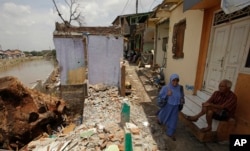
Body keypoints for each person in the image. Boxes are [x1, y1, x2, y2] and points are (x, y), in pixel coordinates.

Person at [157, 74, 185, 141]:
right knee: (163, 116)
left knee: (173, 121)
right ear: (171, 80)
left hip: (175, 107)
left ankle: (170, 132)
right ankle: (159, 119)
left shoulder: (180, 88)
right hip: (167, 106)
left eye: (177, 80)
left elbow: (182, 97)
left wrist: (181, 104)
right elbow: (160, 97)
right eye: (173, 80)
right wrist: (167, 94)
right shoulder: (166, 88)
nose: (175, 82)